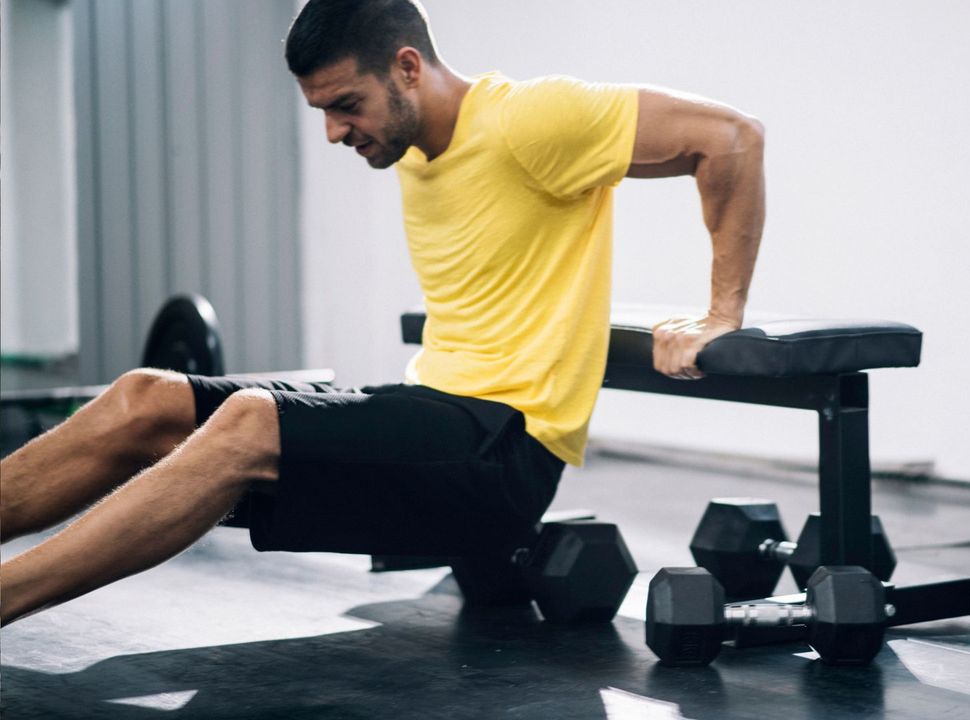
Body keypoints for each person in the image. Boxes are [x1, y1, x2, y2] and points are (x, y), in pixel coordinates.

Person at [0, 0, 764, 626]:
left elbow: (729, 138)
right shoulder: (417, 148)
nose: (334, 130)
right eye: (323, 111)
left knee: (247, 421)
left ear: (407, 68)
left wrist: (718, 313)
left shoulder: (532, 119)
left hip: (504, 451)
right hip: (432, 415)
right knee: (146, 399)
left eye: (346, 105)